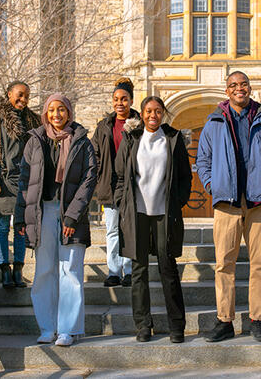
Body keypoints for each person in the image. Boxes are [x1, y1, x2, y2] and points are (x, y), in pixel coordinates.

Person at [196, 71, 261, 343]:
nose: (239, 89)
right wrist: (213, 185)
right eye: (233, 85)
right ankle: (225, 320)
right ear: (227, 90)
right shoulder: (214, 121)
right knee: (224, 264)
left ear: (250, 88)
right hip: (227, 202)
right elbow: (203, 159)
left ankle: (257, 319)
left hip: (259, 201)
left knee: (259, 263)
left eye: (243, 84)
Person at [14, 94, 97, 347]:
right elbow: (25, 182)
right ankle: (47, 327)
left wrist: (72, 215)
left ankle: (67, 329)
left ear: (69, 112)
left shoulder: (82, 142)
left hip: (71, 212)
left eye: (61, 109)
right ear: (46, 114)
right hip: (42, 212)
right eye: (52, 110)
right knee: (44, 271)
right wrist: (21, 218)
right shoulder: (35, 140)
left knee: (70, 271)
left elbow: (89, 179)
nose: (57, 114)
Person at [114, 96, 192, 343]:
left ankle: (176, 326)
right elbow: (119, 176)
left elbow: (184, 177)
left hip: (163, 214)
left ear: (163, 114)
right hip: (137, 213)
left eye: (158, 111)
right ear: (143, 113)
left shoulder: (173, 139)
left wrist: (176, 203)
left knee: (168, 269)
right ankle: (143, 326)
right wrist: (121, 202)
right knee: (138, 272)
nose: (153, 116)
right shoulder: (132, 139)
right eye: (148, 111)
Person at [0, 81, 40, 288]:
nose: (23, 100)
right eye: (19, 95)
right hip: (2, 181)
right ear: (8, 94)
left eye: (26, 96)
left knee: (21, 227)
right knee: (3, 226)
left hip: (25, 181)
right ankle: (4, 269)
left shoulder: (32, 120)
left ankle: (18, 269)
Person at [92, 77, 139, 288]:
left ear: (131, 100)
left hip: (132, 186)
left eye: (124, 99)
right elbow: (94, 153)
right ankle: (113, 271)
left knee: (129, 229)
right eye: (116, 99)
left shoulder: (140, 123)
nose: (120, 103)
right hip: (110, 185)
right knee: (112, 230)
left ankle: (129, 270)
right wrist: (98, 176)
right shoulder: (104, 125)